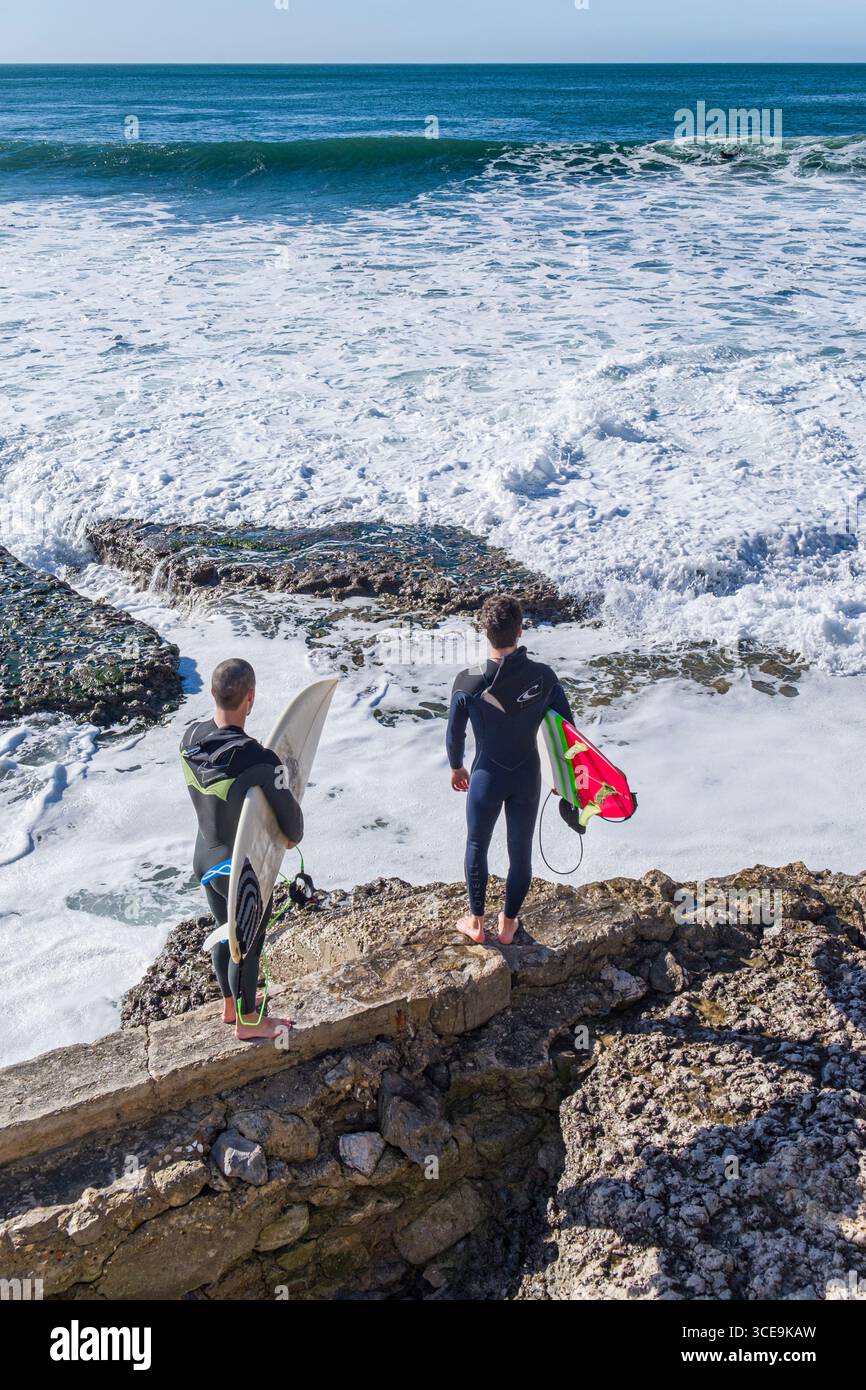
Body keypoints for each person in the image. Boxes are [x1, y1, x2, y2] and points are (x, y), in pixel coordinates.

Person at [180, 658, 303, 1040]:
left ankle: (231, 1006)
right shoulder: (258, 758)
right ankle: (250, 1022)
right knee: (247, 945)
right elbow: (293, 828)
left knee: (223, 931)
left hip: (203, 858)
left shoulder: (188, 738)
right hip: (237, 867)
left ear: (212, 693)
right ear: (250, 698)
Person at [446, 594, 574, 945]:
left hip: (486, 775)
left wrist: (457, 767)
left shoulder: (467, 681)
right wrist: (561, 780)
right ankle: (507, 925)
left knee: (477, 844)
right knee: (520, 851)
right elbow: (567, 732)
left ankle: (476, 923)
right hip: (526, 776)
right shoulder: (543, 677)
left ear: (484, 631)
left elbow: (454, 733)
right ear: (520, 630)